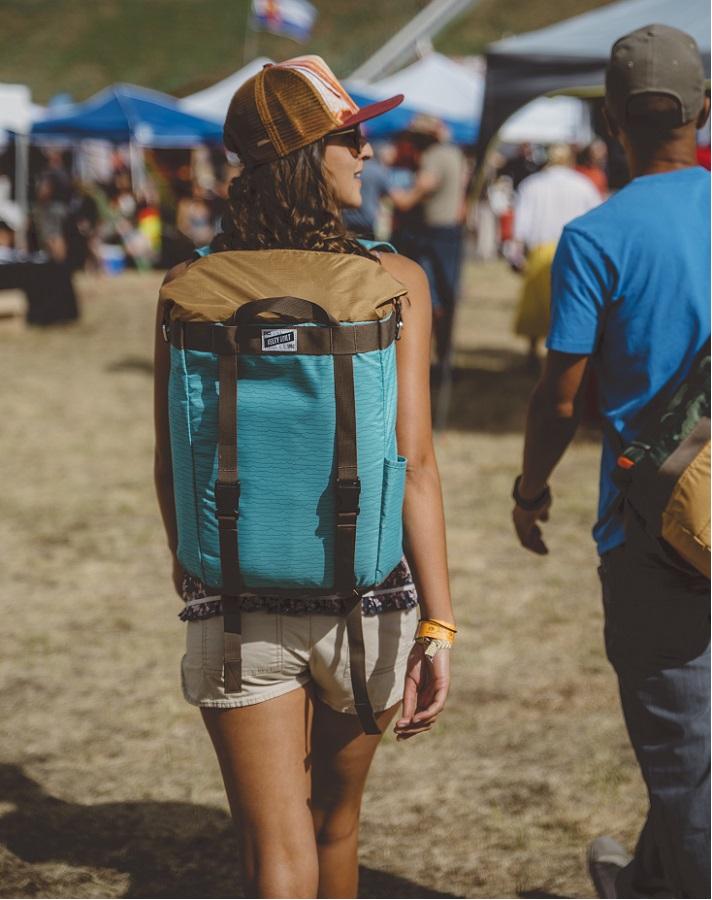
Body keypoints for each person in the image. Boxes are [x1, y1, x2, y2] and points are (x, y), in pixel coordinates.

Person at [154, 56, 454, 900]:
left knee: (274, 855)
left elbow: (167, 457)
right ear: (305, 153)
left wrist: (197, 558)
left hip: (238, 602)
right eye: (351, 136)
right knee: (336, 827)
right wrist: (441, 626)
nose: (367, 152)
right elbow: (418, 463)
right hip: (370, 604)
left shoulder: (187, 288)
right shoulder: (395, 284)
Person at [511, 24, 710, 899]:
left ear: (611, 122)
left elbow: (562, 397)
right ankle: (642, 884)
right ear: (704, 109)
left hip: (655, 526)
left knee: (684, 748)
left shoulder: (594, 240)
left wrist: (531, 488)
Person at [509, 144, 601, 368]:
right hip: (573, 251)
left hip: (541, 250)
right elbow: (596, 218)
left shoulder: (532, 185)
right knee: (567, 305)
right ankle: (563, 357)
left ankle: (533, 352)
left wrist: (515, 252)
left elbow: (522, 223)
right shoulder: (583, 185)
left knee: (537, 304)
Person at [390, 115, 467, 368]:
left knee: (431, 298)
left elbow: (424, 185)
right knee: (448, 297)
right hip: (451, 231)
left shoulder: (434, 155)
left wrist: (403, 197)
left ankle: (430, 357)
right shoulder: (455, 153)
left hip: (434, 234)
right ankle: (445, 358)